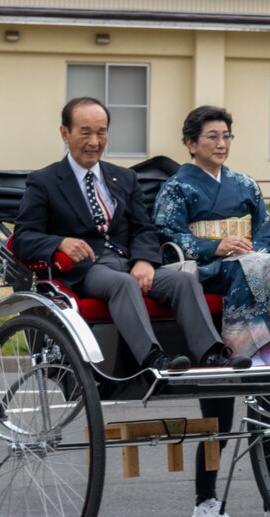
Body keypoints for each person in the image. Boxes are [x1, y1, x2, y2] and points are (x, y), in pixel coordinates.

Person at [153, 105, 270, 517]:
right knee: (216, 416)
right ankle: (205, 500)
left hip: (247, 269)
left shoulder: (245, 185)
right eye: (212, 137)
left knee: (268, 412)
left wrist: (253, 246)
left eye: (226, 137)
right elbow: (167, 237)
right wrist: (215, 247)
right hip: (204, 277)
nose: (221, 144)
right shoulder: (177, 188)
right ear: (190, 144)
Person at [12, 96, 235, 382]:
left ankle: (211, 354)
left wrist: (144, 260)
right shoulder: (44, 181)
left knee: (183, 281)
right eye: (85, 132)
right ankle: (152, 358)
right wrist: (59, 243)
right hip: (86, 270)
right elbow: (24, 237)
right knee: (123, 283)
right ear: (65, 133)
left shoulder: (124, 178)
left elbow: (143, 228)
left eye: (101, 132)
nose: (94, 141)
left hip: (129, 262)